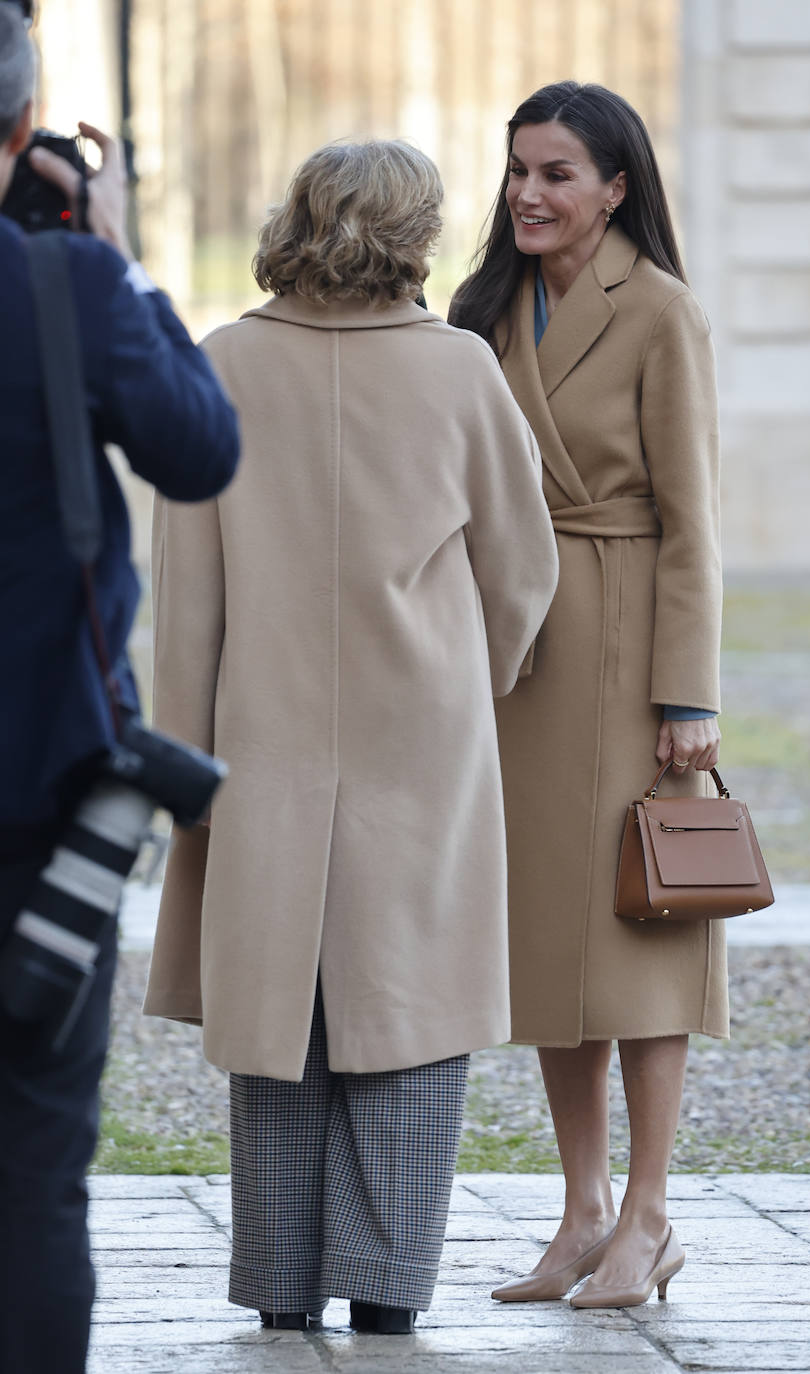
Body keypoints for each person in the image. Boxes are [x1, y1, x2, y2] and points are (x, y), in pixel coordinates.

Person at [142, 138, 558, 1335]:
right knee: (410, 1022)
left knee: (282, 1029)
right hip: (419, 738)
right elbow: (521, 572)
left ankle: (280, 1291)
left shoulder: (218, 366)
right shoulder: (462, 371)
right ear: (416, 232)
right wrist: (465, 683)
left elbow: (188, 594)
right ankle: (386, 1294)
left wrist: (187, 756)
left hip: (258, 737)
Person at [449, 81, 725, 1309]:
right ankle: (580, 1215)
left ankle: (650, 1215)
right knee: (554, 946)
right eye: (517, 170)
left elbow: (692, 526)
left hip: (623, 652)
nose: (527, 193)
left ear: (616, 186)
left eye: (557, 172)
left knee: (638, 936)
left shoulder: (661, 313)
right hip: (516, 652)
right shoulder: (485, 310)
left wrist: (689, 697)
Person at [0, 7, 240, 1372]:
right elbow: (201, 449)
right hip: (41, 801)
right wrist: (113, 257)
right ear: (25, 136)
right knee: (35, 1163)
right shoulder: (69, 292)